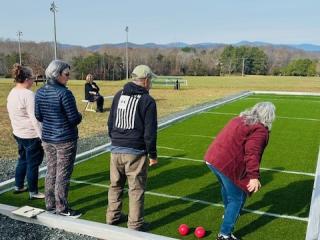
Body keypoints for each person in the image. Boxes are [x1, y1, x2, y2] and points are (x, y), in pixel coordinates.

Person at [204, 102, 276, 240]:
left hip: (212, 158)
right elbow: (252, 153)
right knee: (237, 198)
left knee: (226, 188)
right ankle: (224, 234)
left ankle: (228, 212)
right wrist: (254, 177)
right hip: (225, 163)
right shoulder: (260, 130)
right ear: (269, 117)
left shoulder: (239, 118)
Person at [107, 65, 158, 231]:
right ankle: (135, 225)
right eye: (150, 80)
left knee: (115, 185)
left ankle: (112, 217)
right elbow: (150, 131)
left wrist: (116, 140)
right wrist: (152, 154)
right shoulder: (147, 100)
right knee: (136, 190)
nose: (151, 84)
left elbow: (110, 122)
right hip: (135, 151)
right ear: (145, 80)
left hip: (116, 148)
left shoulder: (118, 94)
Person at [35, 60, 82, 218]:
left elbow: (38, 116)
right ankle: (62, 208)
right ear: (57, 74)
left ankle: (50, 204)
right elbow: (74, 118)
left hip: (48, 138)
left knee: (51, 171)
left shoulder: (40, 92)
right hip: (64, 140)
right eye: (66, 74)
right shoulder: (64, 93)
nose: (68, 77)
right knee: (62, 174)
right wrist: (79, 115)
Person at [7, 64, 44, 200]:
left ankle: (18, 185)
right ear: (27, 79)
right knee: (33, 163)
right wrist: (42, 137)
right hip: (31, 135)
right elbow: (35, 119)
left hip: (18, 133)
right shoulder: (28, 95)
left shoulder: (12, 92)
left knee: (22, 159)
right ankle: (33, 192)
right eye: (33, 77)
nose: (34, 80)